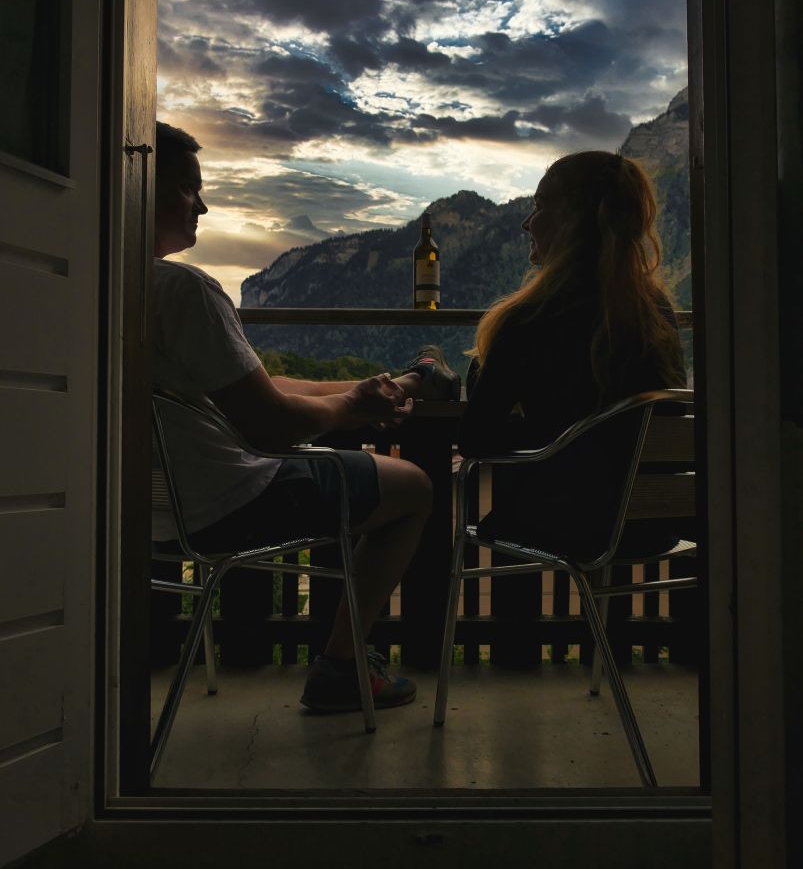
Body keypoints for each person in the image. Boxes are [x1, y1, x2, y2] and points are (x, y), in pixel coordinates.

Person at [150, 121, 457, 712]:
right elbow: (273, 424)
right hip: (230, 501)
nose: (202, 206)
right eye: (190, 188)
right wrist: (353, 406)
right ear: (141, 182)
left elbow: (263, 389)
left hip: (150, 515)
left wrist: (362, 389)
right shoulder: (184, 290)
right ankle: (342, 665)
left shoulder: (107, 286)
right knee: (415, 487)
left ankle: (411, 376)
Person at [456, 150, 687, 560]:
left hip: (569, 522)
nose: (527, 222)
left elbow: (476, 437)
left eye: (539, 206)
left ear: (572, 219)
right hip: (653, 525)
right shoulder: (654, 312)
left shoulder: (532, 317)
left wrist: (553, 434)